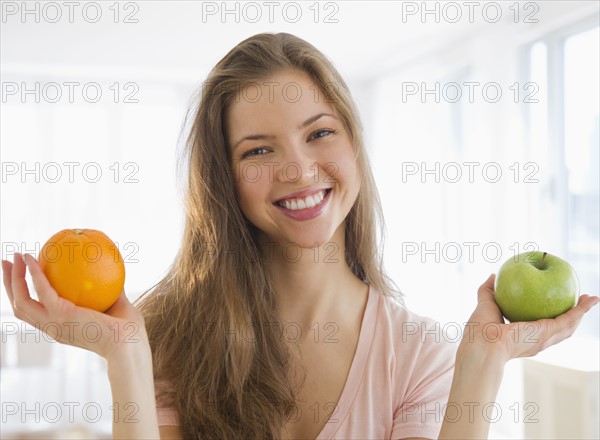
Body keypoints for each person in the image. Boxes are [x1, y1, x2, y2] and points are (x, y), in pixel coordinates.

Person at [2, 32, 598, 440]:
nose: (299, 170)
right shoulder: (167, 331)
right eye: (258, 150)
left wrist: (483, 361)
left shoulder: (420, 355)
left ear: (354, 145)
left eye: (319, 133)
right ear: (224, 180)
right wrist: (127, 357)